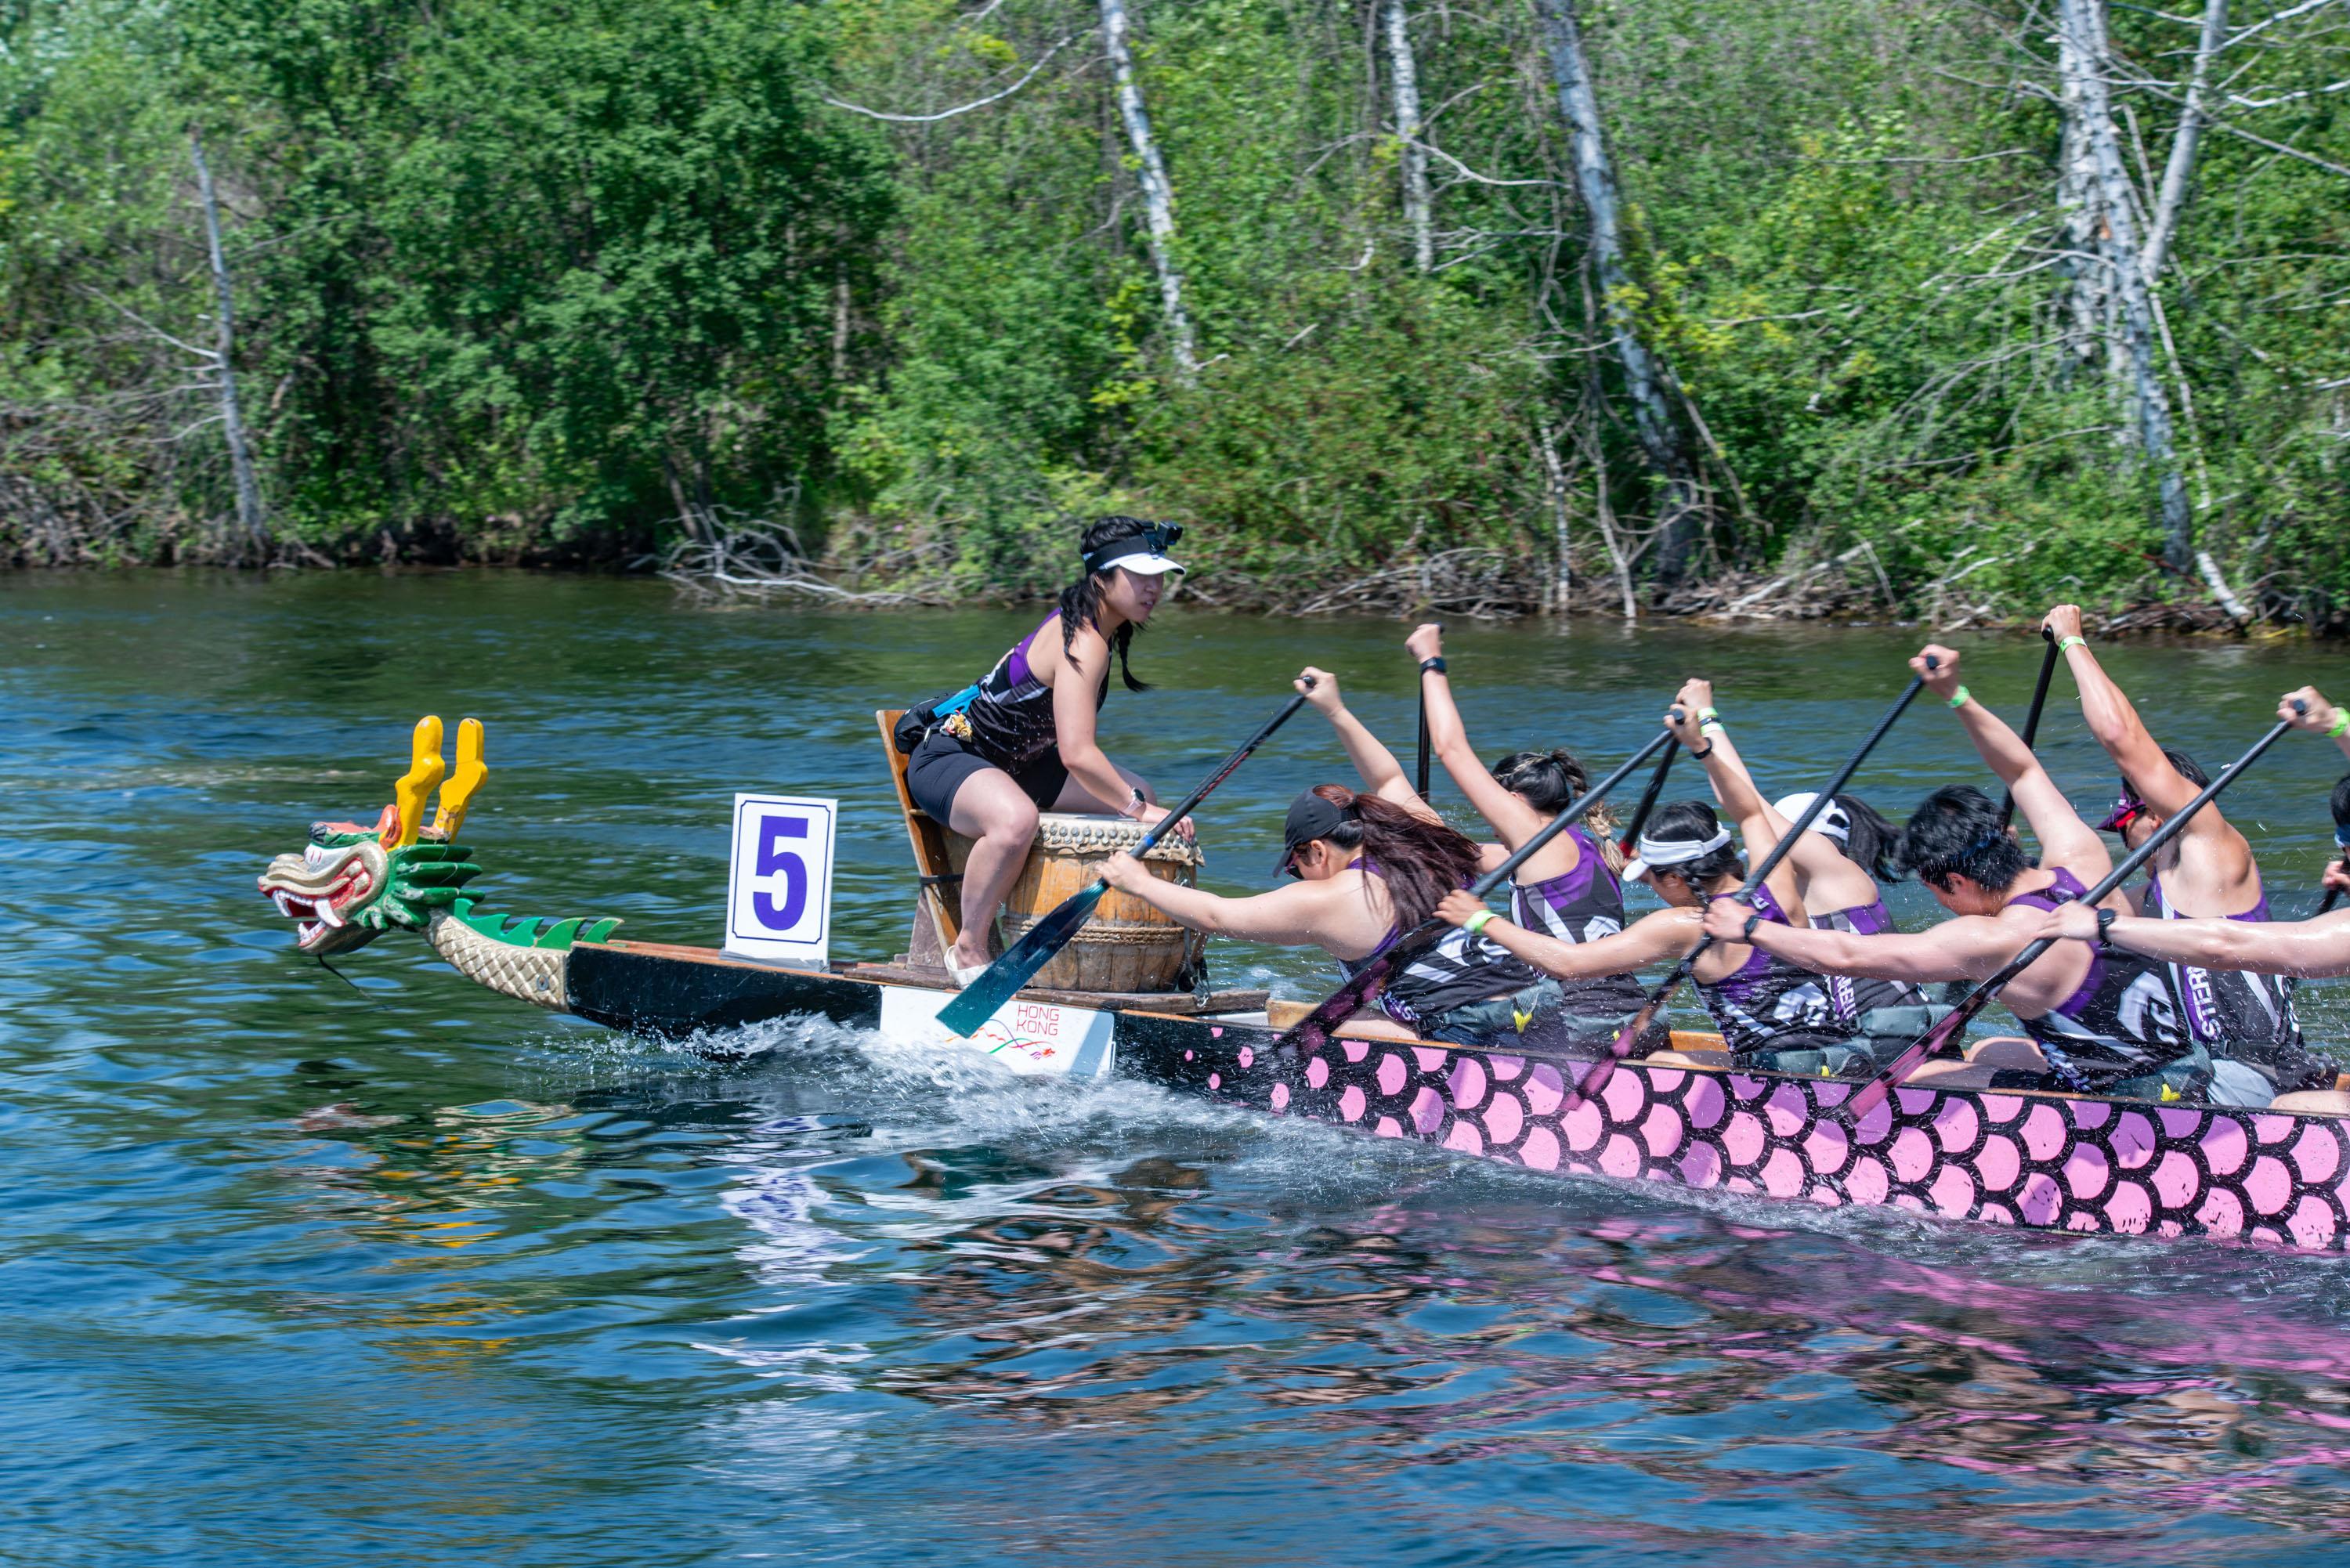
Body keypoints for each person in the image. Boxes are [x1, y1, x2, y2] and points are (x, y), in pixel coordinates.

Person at [1701, 643, 2208, 1099]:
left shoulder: (1993, 937)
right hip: (2187, 1072)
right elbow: (2023, 769)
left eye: (1938, 891)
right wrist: (1956, 694)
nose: (1941, 903)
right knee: (1995, 1053)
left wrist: (1749, 928)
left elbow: (1849, 954)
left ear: (1959, 882)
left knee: (1921, 1079)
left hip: (2134, 1108)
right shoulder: (2081, 860)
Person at [1096, 668, 1569, 1047]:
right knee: (1355, 1006)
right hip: (1540, 1006)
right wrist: (1336, 709)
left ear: (1316, 850)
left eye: (1296, 864)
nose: (1297, 874)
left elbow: (1218, 915)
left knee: (1315, 1035)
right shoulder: (1427, 843)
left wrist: (1135, 879)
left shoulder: (1334, 895)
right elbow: (1388, 780)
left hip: (1472, 1034)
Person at [1437, 700, 1860, 1071]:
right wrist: (1705, 731)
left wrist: (1480, 919)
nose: (1651, 886)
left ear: (1675, 877)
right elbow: (1749, 811)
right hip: (1840, 1056)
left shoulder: (1683, 923)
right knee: (1665, 1057)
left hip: (1782, 1081)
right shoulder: (1778, 890)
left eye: (1652, 876)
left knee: (1657, 1062)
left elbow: (1568, 965)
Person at [2044, 605, 2319, 1104]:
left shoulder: (2210, 848)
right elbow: (2051, 908)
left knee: (2089, 1098)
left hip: (2260, 1076)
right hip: (2216, 1071)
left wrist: (2072, 642)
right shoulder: (2152, 892)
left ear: (2153, 811)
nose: (2123, 837)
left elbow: (2121, 739)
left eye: (2124, 822)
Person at [900, 516, 1187, 985]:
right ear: (1101, 576)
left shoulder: (1098, 629)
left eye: (1158, 576)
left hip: (1020, 765)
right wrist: (1138, 811)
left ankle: (1107, 944)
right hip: (951, 757)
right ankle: (969, 949)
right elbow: (1077, 753)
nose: (1153, 587)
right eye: (1139, 577)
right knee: (1018, 820)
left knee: (1140, 789)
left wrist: (1137, 800)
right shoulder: (1084, 639)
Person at [1668, 677, 1937, 1060]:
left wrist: (1707, 725)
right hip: (1856, 1046)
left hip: (1894, 1045)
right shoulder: (1787, 898)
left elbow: (1750, 806)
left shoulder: (1836, 876)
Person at [1405, 623, 1647, 1044]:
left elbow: (1450, 748)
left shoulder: (1535, 835)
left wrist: (1431, 661)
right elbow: (1451, 847)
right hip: (1625, 1015)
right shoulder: (1582, 844)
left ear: (1515, 798)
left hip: (1579, 1024)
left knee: (1446, 1024)